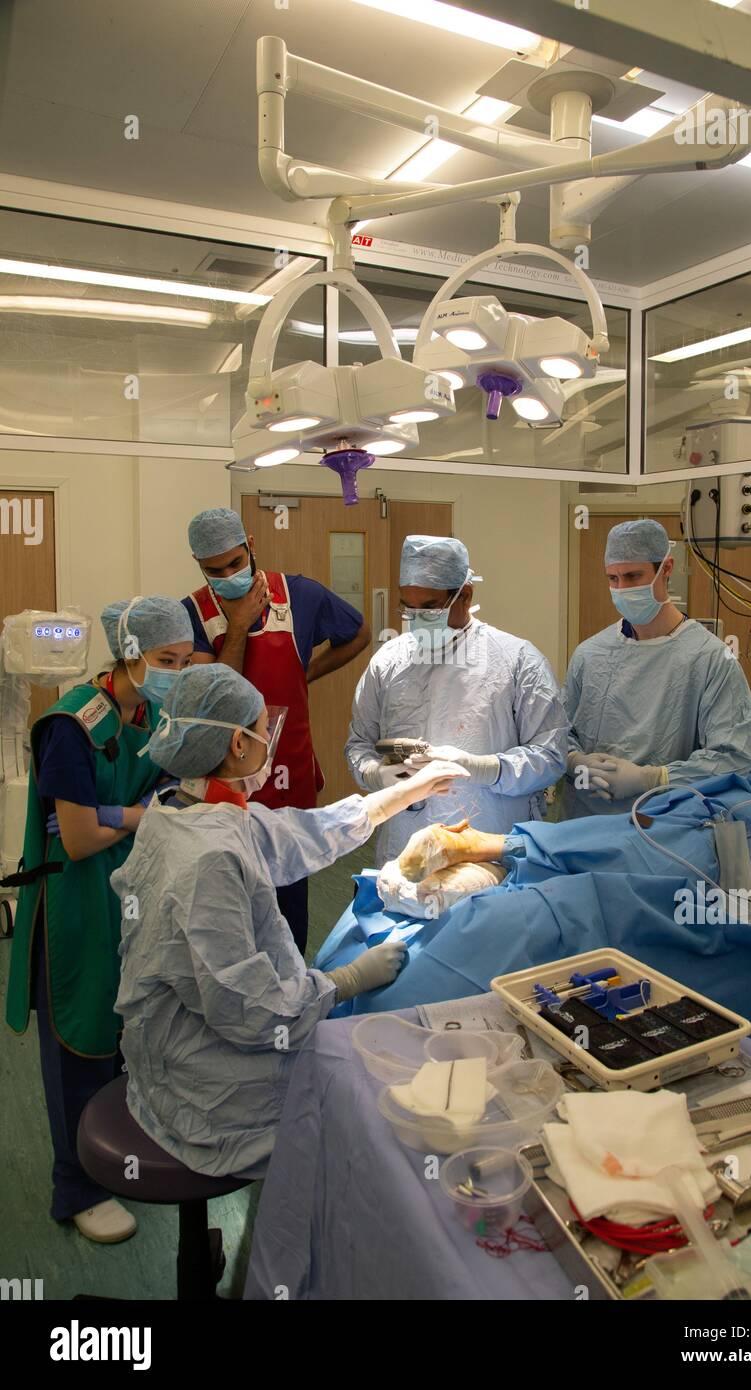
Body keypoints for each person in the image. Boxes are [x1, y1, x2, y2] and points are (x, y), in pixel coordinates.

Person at [111, 664, 467, 1178]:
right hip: (211, 1102)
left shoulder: (177, 812)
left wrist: (402, 795)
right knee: (372, 1114)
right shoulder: (210, 858)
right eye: (262, 731)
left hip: (163, 1061)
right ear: (238, 744)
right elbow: (250, 1010)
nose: (266, 743)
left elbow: (298, 833)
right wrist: (345, 981)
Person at [5, 596, 193, 1243]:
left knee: (127, 1033)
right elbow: (78, 840)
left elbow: (172, 791)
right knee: (80, 1039)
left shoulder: (154, 712)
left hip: (131, 897)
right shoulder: (70, 725)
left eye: (185, 659)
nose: (176, 671)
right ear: (130, 655)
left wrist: (118, 814)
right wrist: (138, 816)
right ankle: (76, 1185)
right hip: (77, 905)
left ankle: (117, 1156)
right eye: (166, 660)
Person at [182, 507, 371, 956]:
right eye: (216, 570)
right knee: (232, 899)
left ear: (250, 543)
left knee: (289, 903)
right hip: (228, 781)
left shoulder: (298, 595)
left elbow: (359, 633)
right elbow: (219, 695)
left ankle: (290, 1000)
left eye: (235, 561)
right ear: (198, 565)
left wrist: (305, 671)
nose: (229, 574)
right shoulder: (192, 614)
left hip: (289, 771)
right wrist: (240, 626)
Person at [346, 534, 567, 866]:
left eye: (430, 607)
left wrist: (480, 768)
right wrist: (377, 774)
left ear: (465, 595)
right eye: (409, 606)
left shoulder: (517, 660)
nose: (417, 618)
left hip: (487, 849)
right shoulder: (388, 661)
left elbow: (550, 756)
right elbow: (359, 744)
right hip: (405, 850)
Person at [561, 518, 751, 819]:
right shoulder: (590, 654)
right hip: (586, 823)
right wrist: (575, 761)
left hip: (664, 829)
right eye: (613, 578)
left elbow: (733, 758)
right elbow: (559, 731)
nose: (621, 589)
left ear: (666, 568)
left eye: (633, 576)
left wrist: (653, 779)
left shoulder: (711, 659)